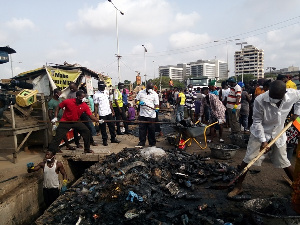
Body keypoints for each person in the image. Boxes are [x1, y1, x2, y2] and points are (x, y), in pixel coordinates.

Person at [228, 80, 300, 198]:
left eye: (277, 98)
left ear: (284, 93)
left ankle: (297, 189)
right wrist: (263, 141)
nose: (274, 101)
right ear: (268, 91)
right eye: (272, 97)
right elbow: (257, 122)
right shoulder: (260, 100)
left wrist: (296, 112)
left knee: (284, 161)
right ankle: (238, 186)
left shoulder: (293, 94)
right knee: (248, 159)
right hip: (260, 133)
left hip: (278, 133)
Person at [94, 81, 120, 146]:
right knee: (103, 128)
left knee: (112, 126)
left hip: (109, 112)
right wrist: (96, 115)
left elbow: (109, 102)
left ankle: (113, 139)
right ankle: (104, 140)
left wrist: (112, 110)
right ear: (99, 87)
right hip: (102, 113)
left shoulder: (106, 92)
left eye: (104, 87)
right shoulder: (96, 95)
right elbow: (96, 106)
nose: (103, 88)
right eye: (102, 87)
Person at [135, 81, 159, 147]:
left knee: (151, 130)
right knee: (142, 129)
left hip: (151, 115)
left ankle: (152, 143)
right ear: (146, 87)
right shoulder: (141, 93)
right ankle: (142, 142)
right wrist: (138, 103)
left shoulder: (155, 94)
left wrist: (157, 109)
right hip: (143, 114)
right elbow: (136, 100)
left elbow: (156, 104)